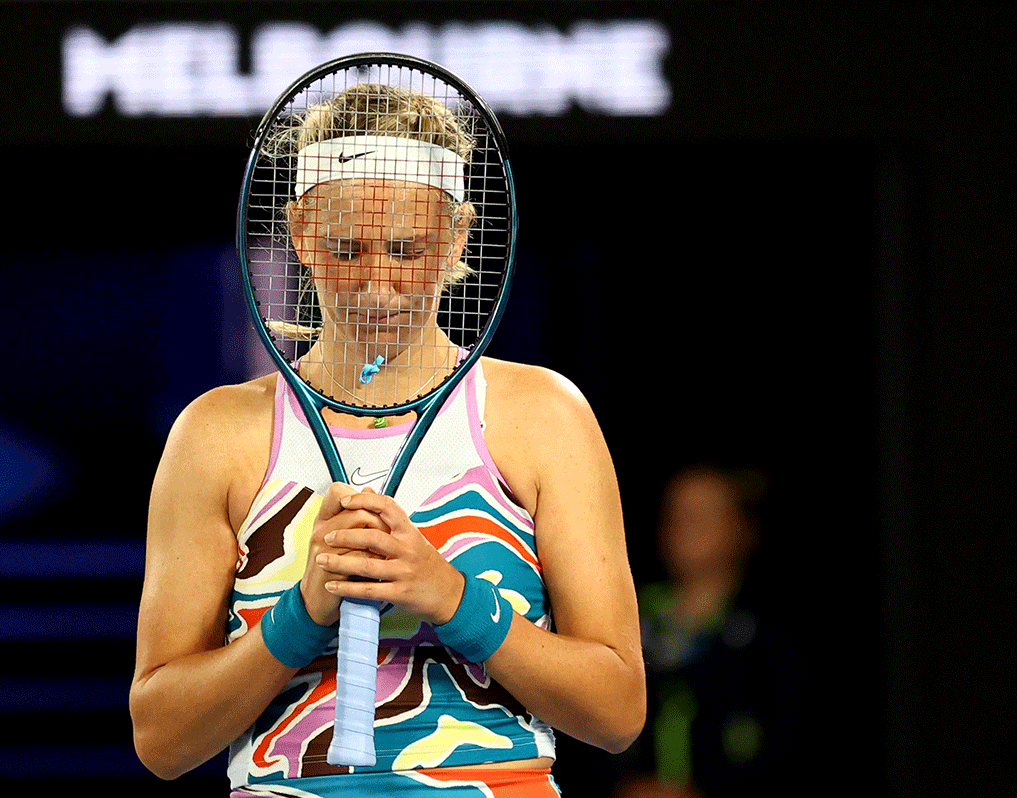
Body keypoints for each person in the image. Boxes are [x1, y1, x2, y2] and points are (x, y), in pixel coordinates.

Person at [129, 80, 645, 797]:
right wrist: (302, 612)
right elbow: (160, 738)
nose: (377, 286)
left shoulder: (544, 416)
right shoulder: (216, 434)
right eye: (347, 251)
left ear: (460, 235)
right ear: (302, 234)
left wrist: (450, 596)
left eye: (407, 250)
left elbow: (617, 712)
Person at [613, 464, 798, 798]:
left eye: (702, 516)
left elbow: (788, 742)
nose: (684, 528)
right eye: (674, 516)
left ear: (744, 529)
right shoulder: (628, 615)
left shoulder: (770, 632)